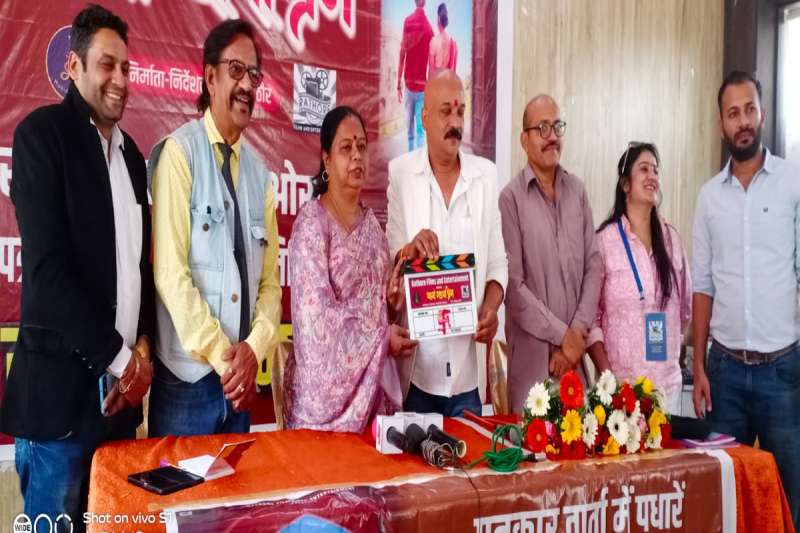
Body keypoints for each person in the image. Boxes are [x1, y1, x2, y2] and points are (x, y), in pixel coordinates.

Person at [0, 5, 154, 529]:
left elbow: (138, 269)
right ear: (73, 66)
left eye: (126, 68)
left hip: (119, 408)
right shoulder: (41, 137)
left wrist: (143, 349)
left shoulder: (132, 157)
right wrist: (123, 362)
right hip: (60, 407)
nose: (120, 79)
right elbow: (48, 274)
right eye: (107, 65)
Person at [148, 20, 281, 436]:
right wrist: (227, 359)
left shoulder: (261, 176)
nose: (247, 85)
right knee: (177, 483)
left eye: (254, 75)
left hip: (240, 385)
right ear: (210, 77)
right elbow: (170, 274)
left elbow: (270, 285)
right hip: (187, 386)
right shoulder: (179, 154)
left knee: (235, 483)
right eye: (236, 70)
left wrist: (253, 350)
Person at [692, 70, 800, 527]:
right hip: (726, 376)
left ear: (763, 113)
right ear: (722, 124)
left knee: (789, 501)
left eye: (749, 110)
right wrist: (699, 367)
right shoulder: (708, 198)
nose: (743, 121)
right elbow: (703, 285)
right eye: (733, 113)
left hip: (784, 374)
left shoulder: (792, 182)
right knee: (726, 503)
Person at [284, 106, 416, 432]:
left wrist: (392, 303)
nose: (357, 155)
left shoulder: (373, 229)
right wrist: (381, 340)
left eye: (361, 146)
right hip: (321, 411)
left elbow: (379, 309)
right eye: (346, 148)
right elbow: (316, 325)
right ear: (326, 160)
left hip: (372, 398)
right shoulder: (312, 225)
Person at [387, 70, 508, 417]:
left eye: (460, 111)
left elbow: (498, 263)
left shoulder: (485, 176)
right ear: (424, 117)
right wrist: (410, 249)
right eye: (445, 112)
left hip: (468, 377)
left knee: (468, 453)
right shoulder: (401, 174)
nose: (455, 122)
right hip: (418, 372)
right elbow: (392, 256)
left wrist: (491, 309)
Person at [499, 94, 602, 414]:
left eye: (557, 127)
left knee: (582, 445)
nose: (552, 136)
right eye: (542, 128)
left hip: (575, 367)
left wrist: (575, 336)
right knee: (532, 447)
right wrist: (562, 336)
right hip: (533, 372)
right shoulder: (510, 200)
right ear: (524, 140)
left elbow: (594, 267)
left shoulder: (578, 192)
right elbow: (513, 288)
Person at [586, 143, 691, 413]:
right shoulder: (604, 242)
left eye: (655, 170)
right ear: (625, 184)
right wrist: (608, 378)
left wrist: (670, 357)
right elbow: (590, 318)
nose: (652, 176)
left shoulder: (672, 239)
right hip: (621, 391)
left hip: (667, 389)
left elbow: (684, 310)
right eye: (643, 169)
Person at [397, 0, 434, 152]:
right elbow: (431, 63)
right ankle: (418, 162)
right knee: (420, 131)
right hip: (422, 88)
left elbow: (402, 53)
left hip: (409, 85)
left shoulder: (408, 22)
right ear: (424, 3)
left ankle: (410, 159)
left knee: (410, 130)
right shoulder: (429, 29)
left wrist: (398, 82)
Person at [428, 3, 457, 74]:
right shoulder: (454, 43)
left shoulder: (434, 42)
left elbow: (431, 72)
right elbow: (453, 72)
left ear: (438, 18)